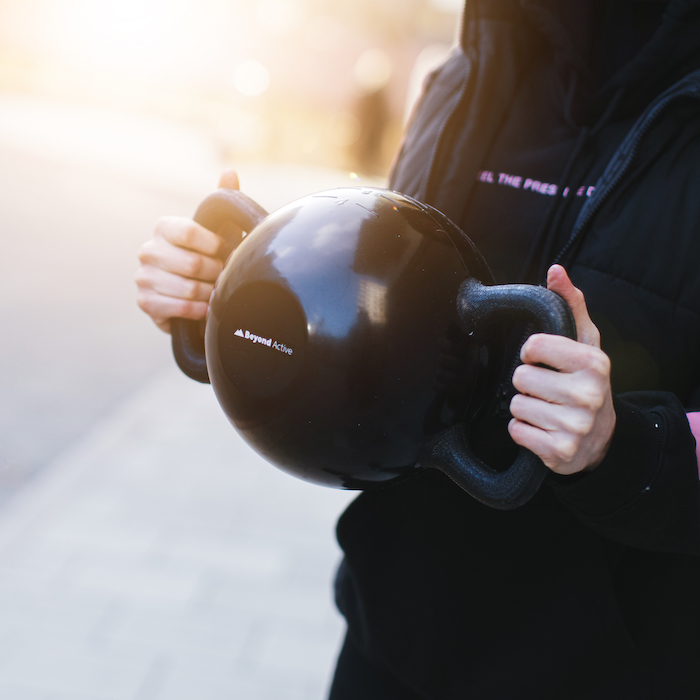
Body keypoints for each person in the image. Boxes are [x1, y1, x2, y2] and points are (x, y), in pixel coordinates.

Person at [136, 0, 700, 696]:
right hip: (391, 638)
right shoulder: (463, 78)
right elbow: (383, 331)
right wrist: (232, 301)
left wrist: (622, 445)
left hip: (604, 670)